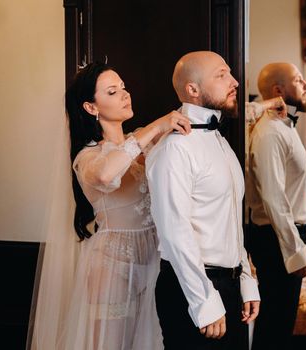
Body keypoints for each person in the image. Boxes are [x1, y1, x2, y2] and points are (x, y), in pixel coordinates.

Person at [29, 62, 191, 350]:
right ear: (92, 108)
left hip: (156, 261)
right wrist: (155, 127)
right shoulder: (88, 157)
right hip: (114, 265)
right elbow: (107, 174)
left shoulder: (141, 139)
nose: (125, 95)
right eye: (113, 91)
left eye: (124, 88)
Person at [145, 51, 262, 350]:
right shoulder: (175, 149)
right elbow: (175, 233)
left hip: (229, 285)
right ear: (192, 90)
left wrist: (245, 281)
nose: (235, 81)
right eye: (221, 75)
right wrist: (204, 301)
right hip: (192, 287)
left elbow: (232, 223)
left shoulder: (220, 142)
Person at [246, 62, 306, 349]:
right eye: (299, 80)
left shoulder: (284, 126)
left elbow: (294, 192)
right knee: (274, 328)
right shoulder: (269, 133)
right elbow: (274, 199)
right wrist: (295, 251)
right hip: (274, 239)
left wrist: (305, 239)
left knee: (281, 326)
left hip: (287, 234)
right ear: (278, 90)